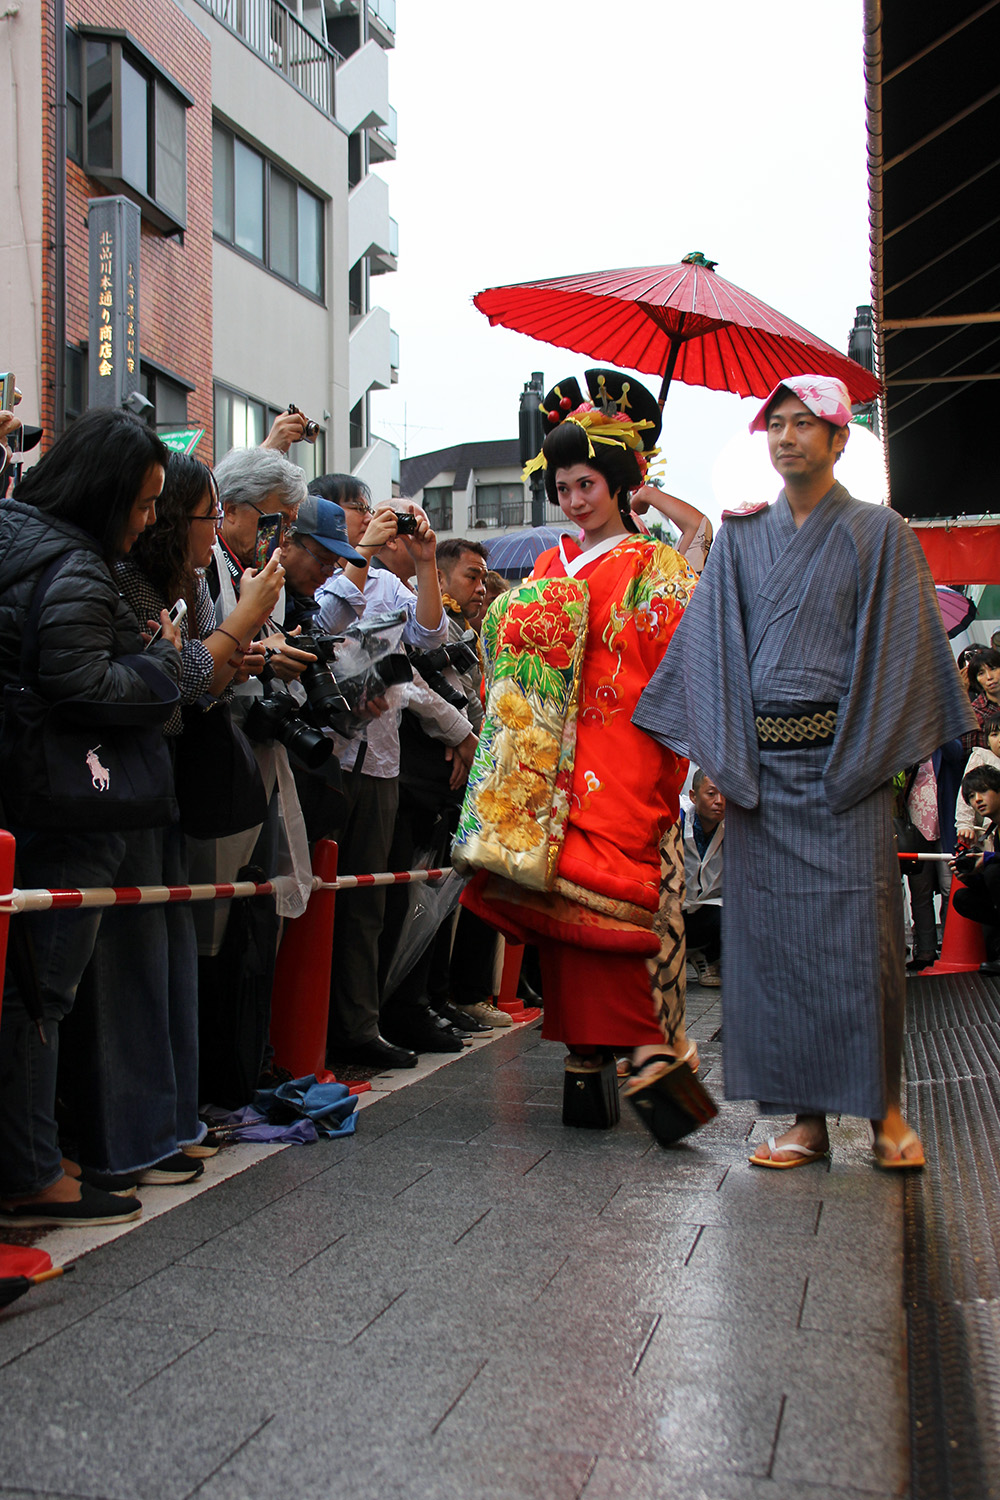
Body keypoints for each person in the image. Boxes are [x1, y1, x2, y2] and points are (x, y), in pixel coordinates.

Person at [634, 373, 976, 1171]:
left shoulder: (879, 532)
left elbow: (900, 654)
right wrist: (715, 759)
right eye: (775, 425)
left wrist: (863, 759)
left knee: (863, 945)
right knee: (775, 952)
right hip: (758, 776)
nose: (786, 437)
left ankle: (886, 1112)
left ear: (839, 439)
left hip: (845, 768)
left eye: (803, 424)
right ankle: (806, 1122)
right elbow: (711, 650)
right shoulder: (743, 536)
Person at [457, 369, 704, 1140]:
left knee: (612, 913)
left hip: (616, 753)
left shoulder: (650, 564)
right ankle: (598, 1060)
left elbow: (678, 646)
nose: (572, 500)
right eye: (562, 485)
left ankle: (630, 1058)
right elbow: (504, 651)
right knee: (562, 913)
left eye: (588, 483)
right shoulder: (547, 567)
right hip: (541, 765)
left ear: (624, 483)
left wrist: (681, 534)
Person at [57, 456, 286, 1187]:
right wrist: (238, 627)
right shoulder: (112, 579)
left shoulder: (173, 584)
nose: (212, 530)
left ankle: (169, 1123)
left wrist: (229, 656)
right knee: (130, 972)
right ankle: (132, 1139)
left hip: (161, 784)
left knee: (166, 965)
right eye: (203, 515)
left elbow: (195, 683)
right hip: (115, 786)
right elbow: (172, 682)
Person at [0, 408, 183, 1227]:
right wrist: (158, 668)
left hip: (21, 794)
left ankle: (32, 1151)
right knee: (41, 993)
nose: (149, 523)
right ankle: (33, 1171)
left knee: (22, 987)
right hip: (62, 802)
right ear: (107, 493)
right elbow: (81, 683)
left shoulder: (15, 534)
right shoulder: (73, 563)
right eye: (145, 505)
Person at [312, 474, 449, 1069]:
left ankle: (358, 1026)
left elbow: (429, 637)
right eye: (354, 511)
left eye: (371, 511)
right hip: (327, 755)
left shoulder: (393, 582)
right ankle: (305, 1032)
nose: (366, 519)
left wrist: (425, 563)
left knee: (368, 905)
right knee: (314, 902)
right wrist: (361, 552)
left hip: (382, 759)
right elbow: (326, 625)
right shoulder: (313, 572)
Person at [950, 765, 1000, 975]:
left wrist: (987, 859)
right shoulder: (993, 830)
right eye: (971, 796)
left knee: (994, 871)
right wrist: (969, 874)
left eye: (983, 791)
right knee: (963, 897)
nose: (977, 799)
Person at [682, 769, 725, 988]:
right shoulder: (677, 821)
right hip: (676, 912)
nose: (719, 801)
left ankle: (708, 958)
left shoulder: (732, 830)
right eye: (711, 794)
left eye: (724, 794)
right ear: (693, 796)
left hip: (708, 912)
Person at [963, 647, 1000, 750]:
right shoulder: (974, 713)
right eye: (981, 673)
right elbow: (967, 755)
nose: (989, 677)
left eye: (993, 669)